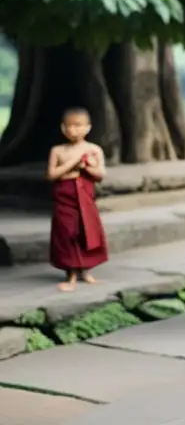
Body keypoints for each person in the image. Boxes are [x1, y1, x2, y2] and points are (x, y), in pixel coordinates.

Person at [47, 108, 107, 292]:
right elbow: (51, 175)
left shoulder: (94, 150)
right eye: (69, 126)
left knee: (86, 232)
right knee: (66, 234)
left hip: (85, 201)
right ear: (63, 128)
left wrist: (87, 167)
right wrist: (73, 164)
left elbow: (100, 175)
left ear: (88, 128)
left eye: (78, 125)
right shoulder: (57, 150)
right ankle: (70, 275)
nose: (73, 130)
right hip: (65, 200)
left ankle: (85, 272)